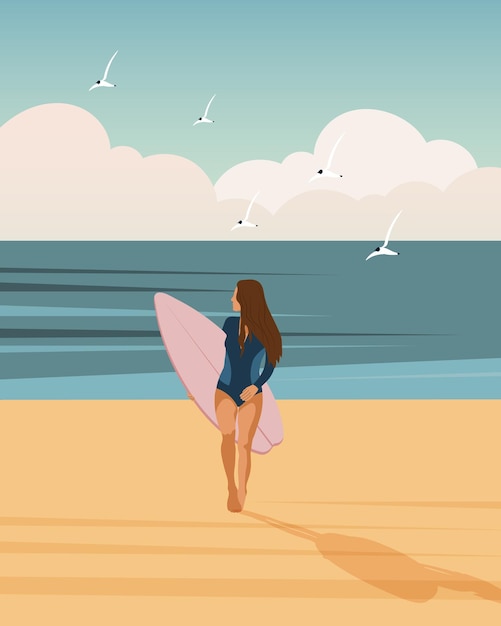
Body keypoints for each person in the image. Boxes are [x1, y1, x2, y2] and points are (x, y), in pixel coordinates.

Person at [214, 279, 282, 512]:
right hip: (224, 388)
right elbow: (211, 355)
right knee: (227, 437)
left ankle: (242, 489)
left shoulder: (267, 330)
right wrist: (199, 389)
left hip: (251, 393)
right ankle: (231, 487)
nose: (231, 300)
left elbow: (271, 364)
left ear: (246, 299)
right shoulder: (229, 324)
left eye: (234, 296)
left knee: (244, 444)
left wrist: (256, 386)